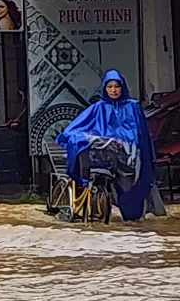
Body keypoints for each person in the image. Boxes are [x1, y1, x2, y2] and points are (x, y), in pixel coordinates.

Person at [60, 70, 158, 221]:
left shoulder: (133, 107)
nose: (113, 90)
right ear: (105, 89)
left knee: (132, 192)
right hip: (104, 155)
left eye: (116, 86)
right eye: (110, 87)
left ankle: (133, 220)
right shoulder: (98, 107)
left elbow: (142, 134)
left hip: (128, 157)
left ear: (122, 87)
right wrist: (90, 139)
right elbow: (73, 130)